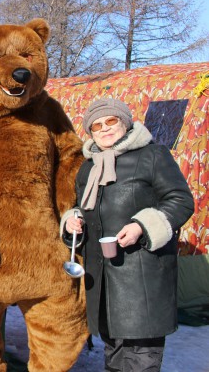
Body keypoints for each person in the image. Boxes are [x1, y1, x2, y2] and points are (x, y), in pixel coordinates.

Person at [61, 97, 194, 372]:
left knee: (140, 359)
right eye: (96, 126)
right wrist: (73, 220)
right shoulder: (89, 167)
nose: (105, 129)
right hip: (103, 280)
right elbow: (83, 207)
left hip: (142, 278)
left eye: (111, 121)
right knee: (114, 356)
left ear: (125, 122)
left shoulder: (152, 156)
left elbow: (180, 200)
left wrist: (141, 226)